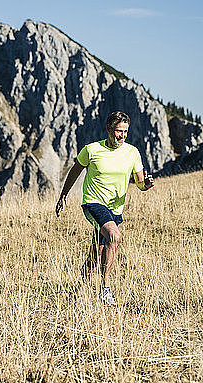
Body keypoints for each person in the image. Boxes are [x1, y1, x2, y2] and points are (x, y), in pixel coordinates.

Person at [56, 111, 154, 306]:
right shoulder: (92, 150)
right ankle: (105, 289)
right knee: (114, 236)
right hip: (93, 203)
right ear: (109, 129)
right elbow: (74, 172)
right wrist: (63, 195)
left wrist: (147, 185)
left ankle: (75, 293)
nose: (122, 136)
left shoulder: (132, 153)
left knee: (98, 251)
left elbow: (140, 183)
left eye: (125, 132)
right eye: (118, 131)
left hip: (115, 209)